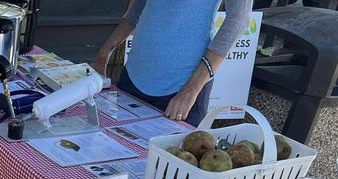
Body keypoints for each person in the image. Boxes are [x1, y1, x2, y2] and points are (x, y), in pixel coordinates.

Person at [92, 0, 251, 126]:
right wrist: (104, 54)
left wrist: (192, 89)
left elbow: (237, 22)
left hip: (180, 89)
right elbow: (138, 6)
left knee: (169, 164)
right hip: (134, 76)